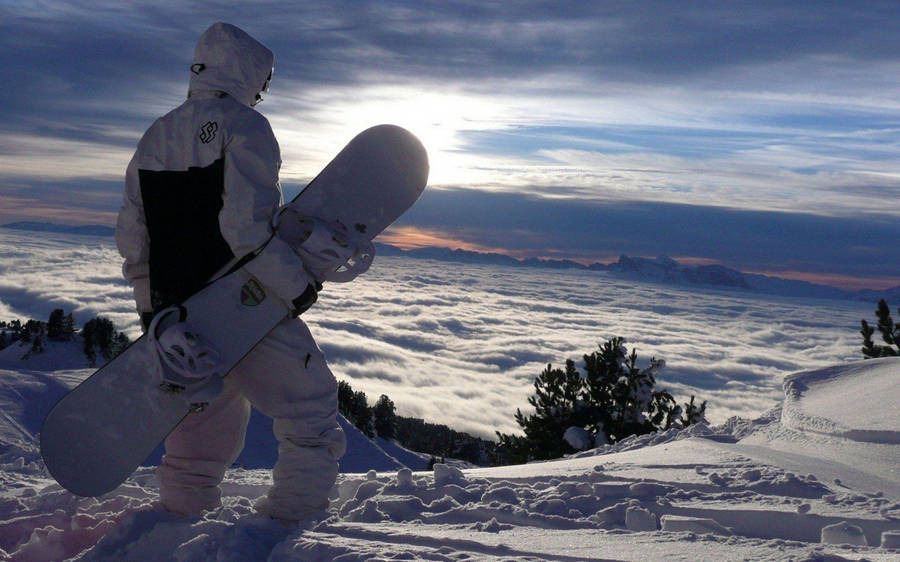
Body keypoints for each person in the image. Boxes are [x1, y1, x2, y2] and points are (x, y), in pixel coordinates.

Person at [115, 22, 346, 522]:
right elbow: (245, 228)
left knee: (201, 434)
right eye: (262, 80)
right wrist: (298, 287)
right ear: (245, 72)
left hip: (183, 316)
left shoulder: (156, 132)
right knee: (311, 413)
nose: (263, 92)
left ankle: (177, 523)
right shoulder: (245, 127)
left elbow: (134, 238)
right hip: (243, 300)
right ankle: (287, 525)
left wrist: (155, 314)